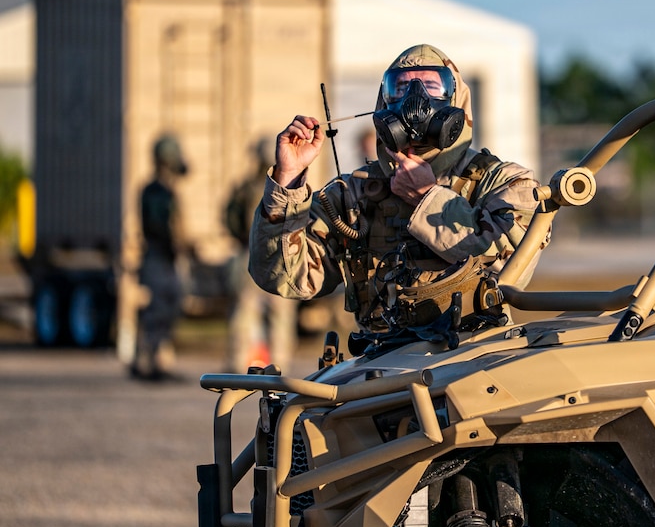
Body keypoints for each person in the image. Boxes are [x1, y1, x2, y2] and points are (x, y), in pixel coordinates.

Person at [248, 44, 545, 354]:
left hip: (475, 358)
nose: (414, 99)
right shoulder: (354, 193)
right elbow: (284, 277)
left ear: (456, 99)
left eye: (431, 86)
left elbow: (509, 269)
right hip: (382, 366)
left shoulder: (504, 182)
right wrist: (288, 181)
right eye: (401, 87)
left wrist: (427, 198)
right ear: (383, 101)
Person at [223, 138, 299, 371]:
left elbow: (230, 218)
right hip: (279, 255)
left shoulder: (246, 187)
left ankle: (238, 363)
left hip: (252, 253)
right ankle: (280, 365)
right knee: (280, 314)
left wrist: (242, 240)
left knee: (246, 312)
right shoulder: (289, 189)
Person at [132, 134, 190, 380]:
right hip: (158, 258)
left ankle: (156, 361)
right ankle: (149, 363)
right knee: (157, 311)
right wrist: (180, 245)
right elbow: (162, 228)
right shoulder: (156, 192)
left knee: (168, 308)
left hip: (164, 259)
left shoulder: (163, 190)